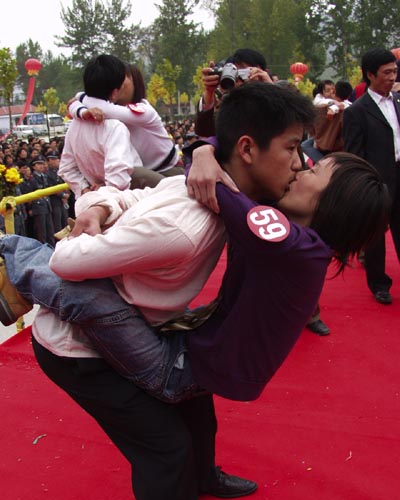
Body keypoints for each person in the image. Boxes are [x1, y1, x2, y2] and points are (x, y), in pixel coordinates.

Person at [0, 83, 389, 402]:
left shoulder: (292, 244)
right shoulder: (300, 239)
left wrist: (201, 153)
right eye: (296, 152)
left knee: (86, 293)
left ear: (334, 204)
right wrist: (208, 147)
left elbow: (217, 187)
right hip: (200, 351)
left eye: (315, 171)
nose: (301, 167)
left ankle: (12, 253)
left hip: (188, 363)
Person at [68, 63, 184, 190]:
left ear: (135, 82)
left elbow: (103, 108)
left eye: (122, 78)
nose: (118, 83)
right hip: (137, 173)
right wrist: (81, 108)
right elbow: (73, 105)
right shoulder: (104, 112)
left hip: (168, 171)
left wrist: (81, 97)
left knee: (171, 190)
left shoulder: (144, 111)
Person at [343, 47, 400, 304]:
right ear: (370, 75)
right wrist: (362, 185)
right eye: (386, 72)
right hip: (377, 179)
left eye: (394, 71)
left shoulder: (397, 101)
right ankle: (379, 284)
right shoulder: (357, 111)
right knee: (375, 235)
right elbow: (354, 153)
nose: (392, 77)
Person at [59, 54, 142, 198]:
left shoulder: (75, 126)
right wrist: (103, 192)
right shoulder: (114, 127)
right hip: (125, 199)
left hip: (97, 197)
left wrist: (85, 190)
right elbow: (118, 179)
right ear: (114, 93)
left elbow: (66, 168)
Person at [195, 48, 272, 136]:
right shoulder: (228, 106)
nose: (241, 79)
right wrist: (209, 92)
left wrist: (270, 88)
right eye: (236, 74)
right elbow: (205, 131)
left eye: (246, 73)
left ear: (265, 73)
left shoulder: (277, 96)